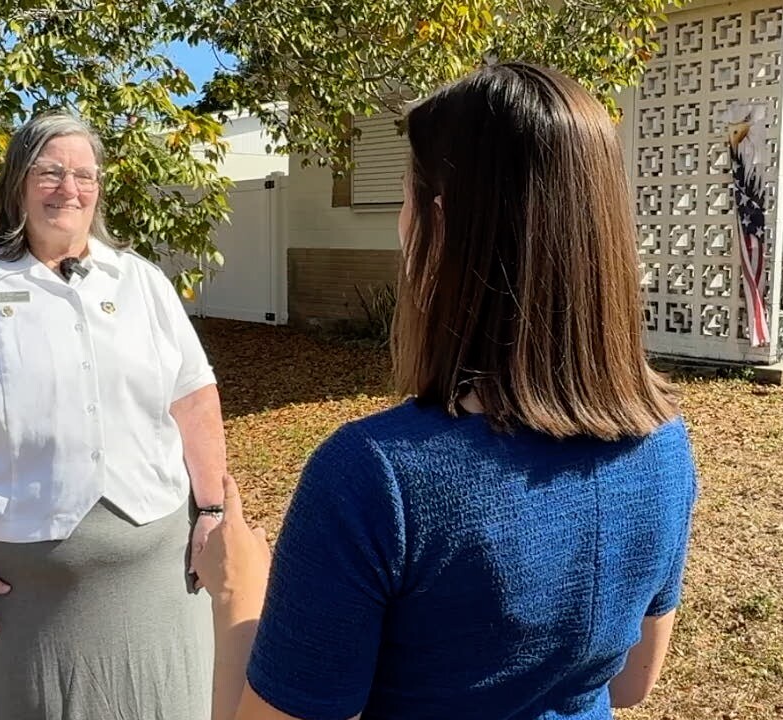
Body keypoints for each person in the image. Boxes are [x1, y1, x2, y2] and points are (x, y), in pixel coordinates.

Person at [194, 62, 699, 720]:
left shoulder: (374, 479)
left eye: (404, 198)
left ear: (439, 224)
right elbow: (631, 683)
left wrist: (238, 594)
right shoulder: (664, 450)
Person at [0, 112, 226, 719]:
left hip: (154, 581)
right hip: (18, 595)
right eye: (50, 172)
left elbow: (193, 399)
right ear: (18, 183)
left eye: (84, 175)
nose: (69, 189)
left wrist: (214, 511)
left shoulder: (142, 282)